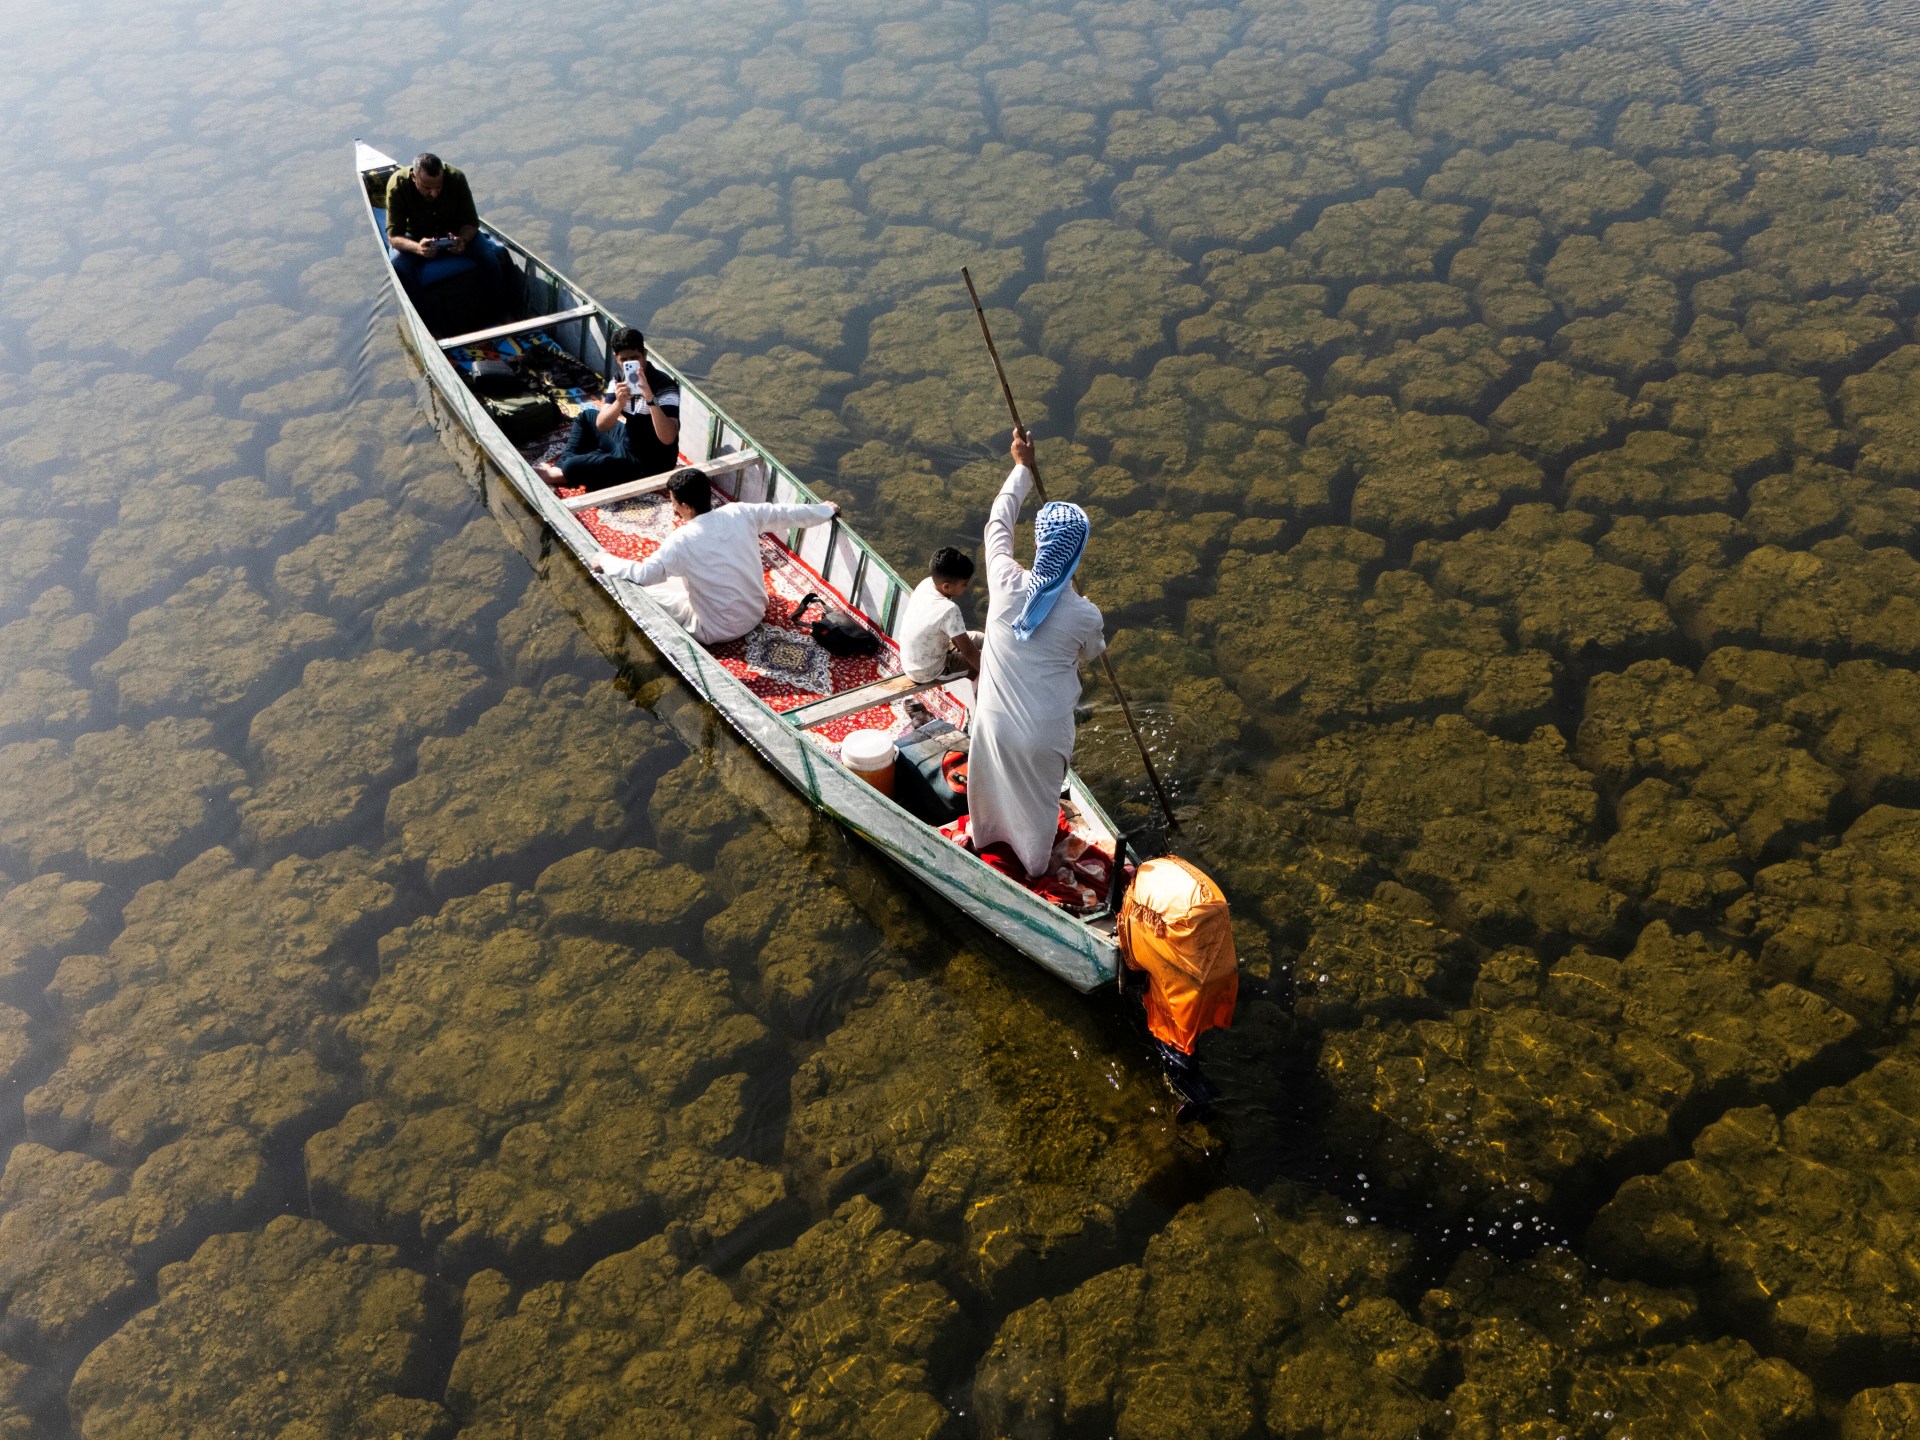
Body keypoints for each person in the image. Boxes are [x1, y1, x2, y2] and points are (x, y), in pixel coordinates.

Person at [967, 428, 1106, 879]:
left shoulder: (1005, 579)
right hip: (1043, 733)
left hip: (991, 721)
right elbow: (1092, 652)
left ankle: (986, 842)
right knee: (1040, 804)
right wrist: (1082, 610)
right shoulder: (1084, 614)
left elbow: (997, 523)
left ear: (1038, 545)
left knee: (990, 788)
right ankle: (1033, 867)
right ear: (1077, 553)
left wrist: (1022, 468)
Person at [588, 468, 838, 645]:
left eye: (674, 502)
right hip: (756, 613)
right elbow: (787, 514)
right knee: (674, 577)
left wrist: (606, 561)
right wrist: (825, 510)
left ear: (686, 506)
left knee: (638, 586)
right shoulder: (740, 512)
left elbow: (644, 575)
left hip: (717, 630)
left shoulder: (681, 540)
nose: (673, 508)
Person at [535, 327, 680, 491]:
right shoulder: (619, 380)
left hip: (649, 462)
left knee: (572, 466)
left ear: (644, 354)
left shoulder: (664, 386)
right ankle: (561, 468)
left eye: (635, 358)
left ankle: (564, 471)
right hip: (628, 441)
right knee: (586, 416)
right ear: (616, 358)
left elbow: (668, 438)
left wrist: (650, 398)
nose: (630, 364)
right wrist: (619, 402)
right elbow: (602, 425)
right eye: (624, 360)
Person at [384, 153, 511, 313]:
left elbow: (471, 223)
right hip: (416, 238)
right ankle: (425, 318)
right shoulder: (397, 186)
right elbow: (394, 237)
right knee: (399, 264)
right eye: (427, 188)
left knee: (487, 255)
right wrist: (418, 248)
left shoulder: (456, 178)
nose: (434, 193)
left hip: (453, 234)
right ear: (414, 177)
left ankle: (504, 311)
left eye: (439, 187)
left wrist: (462, 240)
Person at [898, 546, 984, 683]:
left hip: (912, 661)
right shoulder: (950, 610)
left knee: (980, 638)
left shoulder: (926, 584)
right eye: (964, 584)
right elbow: (968, 651)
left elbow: (957, 640)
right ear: (946, 587)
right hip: (927, 672)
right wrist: (989, 672)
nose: (967, 587)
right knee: (984, 661)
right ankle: (981, 686)